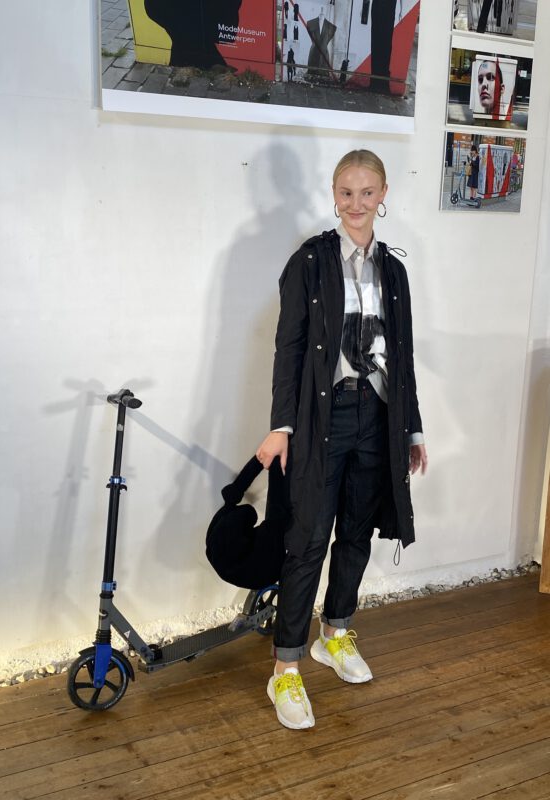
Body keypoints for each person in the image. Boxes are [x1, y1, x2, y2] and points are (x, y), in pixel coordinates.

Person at [256, 150, 427, 730]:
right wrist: (281, 426)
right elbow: (288, 348)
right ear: (334, 196)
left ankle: (334, 633)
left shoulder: (394, 272)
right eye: (347, 193)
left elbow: (402, 356)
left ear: (383, 195)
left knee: (356, 532)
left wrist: (412, 427)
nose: (357, 203)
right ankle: (285, 666)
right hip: (321, 419)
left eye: (367, 192)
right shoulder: (309, 261)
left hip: (378, 416)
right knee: (307, 539)